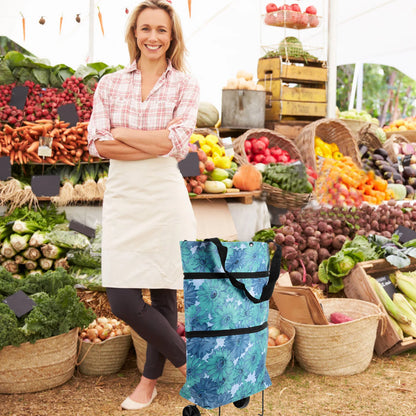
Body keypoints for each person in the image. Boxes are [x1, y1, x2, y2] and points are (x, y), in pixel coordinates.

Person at [87, 0, 199, 410]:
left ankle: (148, 383)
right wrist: (150, 142)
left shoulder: (185, 85)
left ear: (172, 38)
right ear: (134, 33)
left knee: (166, 295)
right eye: (146, 29)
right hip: (125, 196)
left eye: (162, 30)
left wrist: (124, 133)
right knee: (123, 299)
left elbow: (177, 144)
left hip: (165, 196)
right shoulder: (110, 84)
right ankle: (193, 364)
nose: (153, 37)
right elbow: (97, 143)